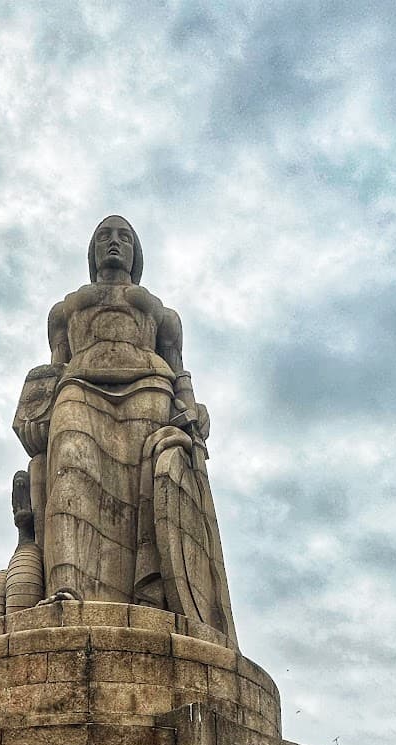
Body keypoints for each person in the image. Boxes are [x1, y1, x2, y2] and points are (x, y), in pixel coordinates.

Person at [12, 216, 236, 641]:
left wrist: (191, 408)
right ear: (92, 251)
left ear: (137, 254)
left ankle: (148, 596)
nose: (113, 243)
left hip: (149, 392)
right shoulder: (65, 310)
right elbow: (56, 366)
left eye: (124, 238)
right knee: (70, 471)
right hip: (78, 388)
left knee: (146, 493)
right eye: (103, 237)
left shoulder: (160, 313)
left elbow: (180, 372)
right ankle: (67, 589)